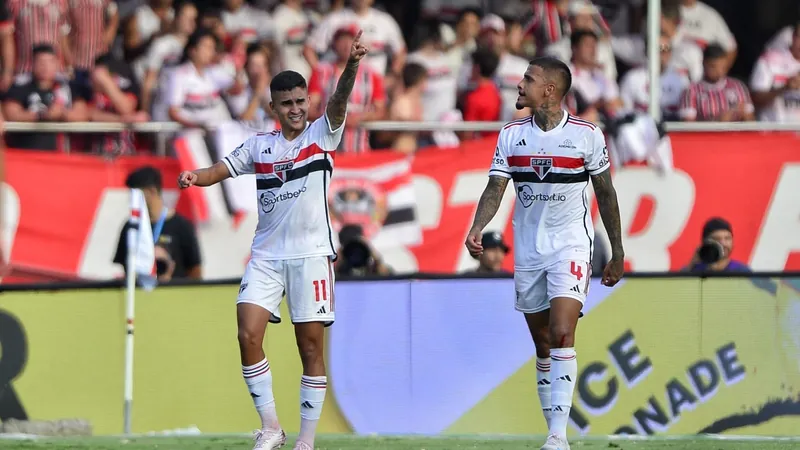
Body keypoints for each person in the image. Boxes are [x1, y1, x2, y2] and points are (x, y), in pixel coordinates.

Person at [176, 30, 369, 450]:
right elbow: (220, 170)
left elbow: (338, 103)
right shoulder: (259, 146)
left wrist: (351, 66)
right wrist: (196, 177)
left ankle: (306, 440)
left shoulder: (322, 135)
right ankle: (270, 428)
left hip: (312, 256)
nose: (296, 109)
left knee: (309, 349)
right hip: (265, 256)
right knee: (247, 334)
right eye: (287, 104)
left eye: (301, 101)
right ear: (273, 108)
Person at [464, 56, 624, 450]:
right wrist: (477, 225)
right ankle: (552, 428)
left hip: (571, 243)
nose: (520, 84)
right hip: (529, 247)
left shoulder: (587, 135)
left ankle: (558, 437)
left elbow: (605, 192)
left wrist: (617, 251)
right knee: (542, 344)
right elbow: (495, 188)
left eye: (528, 79)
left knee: (562, 331)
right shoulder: (511, 135)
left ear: (549, 90)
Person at [114, 166, 202, 281]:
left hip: (174, 295)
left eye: (136, 194)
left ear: (152, 191)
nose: (132, 200)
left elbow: (196, 271)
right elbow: (125, 267)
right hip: (142, 295)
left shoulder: (182, 226)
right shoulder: (130, 226)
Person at [685, 217, 750, 273]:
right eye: (716, 239)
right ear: (705, 242)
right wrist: (692, 264)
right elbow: (679, 284)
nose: (723, 243)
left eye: (727, 238)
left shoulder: (742, 271)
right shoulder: (694, 269)